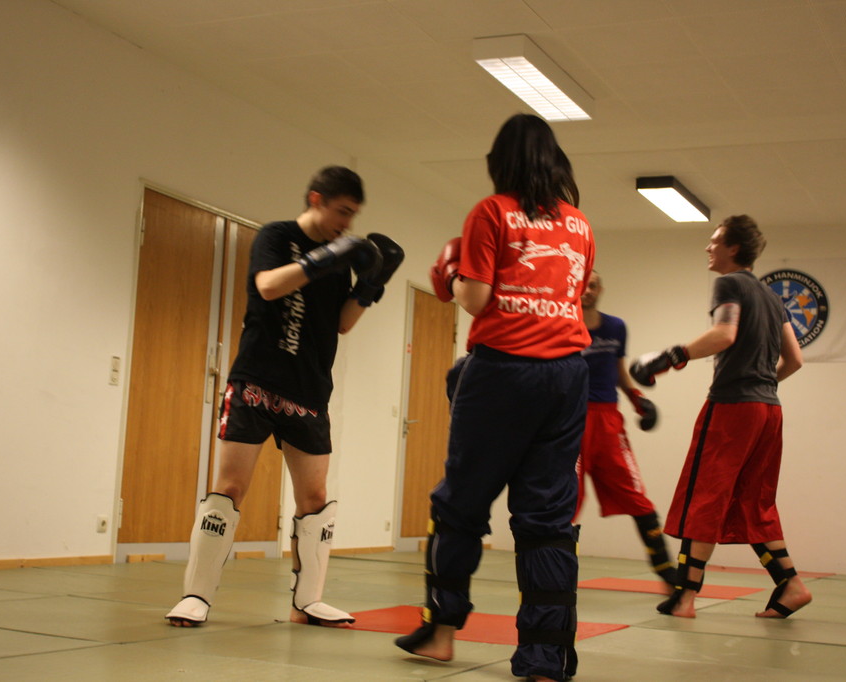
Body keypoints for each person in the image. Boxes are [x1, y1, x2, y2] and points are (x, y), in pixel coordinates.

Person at [395, 114, 595, 682]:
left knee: (460, 505)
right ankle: (544, 658)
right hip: (567, 376)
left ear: (499, 163)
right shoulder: (579, 225)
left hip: (505, 373)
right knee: (547, 519)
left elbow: (478, 299)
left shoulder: (492, 211)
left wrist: (452, 275)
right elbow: (570, 297)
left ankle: (441, 632)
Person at [166, 166, 403, 628]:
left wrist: (374, 284)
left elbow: (342, 323)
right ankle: (195, 595)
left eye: (353, 216)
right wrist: (328, 257)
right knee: (230, 487)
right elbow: (268, 285)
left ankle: (307, 601)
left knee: (315, 496)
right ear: (317, 199)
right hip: (256, 379)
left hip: (309, 388)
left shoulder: (340, 257)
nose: (347, 224)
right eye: (342, 212)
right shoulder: (276, 236)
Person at [629, 214, 808, 619]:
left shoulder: (729, 284)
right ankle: (791, 584)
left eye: (715, 241)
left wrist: (668, 357)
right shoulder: (771, 296)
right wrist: (763, 384)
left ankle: (686, 596)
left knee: (703, 496)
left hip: (732, 408)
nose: (708, 248)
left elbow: (725, 334)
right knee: (752, 501)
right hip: (769, 410)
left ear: (733, 248)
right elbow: (795, 359)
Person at [576, 271, 677, 588]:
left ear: (601, 289)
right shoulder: (560, 324)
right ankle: (554, 575)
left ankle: (666, 573)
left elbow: (618, 369)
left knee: (636, 495)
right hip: (571, 422)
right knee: (564, 500)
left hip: (608, 423)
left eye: (593, 285)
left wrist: (637, 398)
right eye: (582, 283)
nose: (588, 290)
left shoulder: (615, 327)